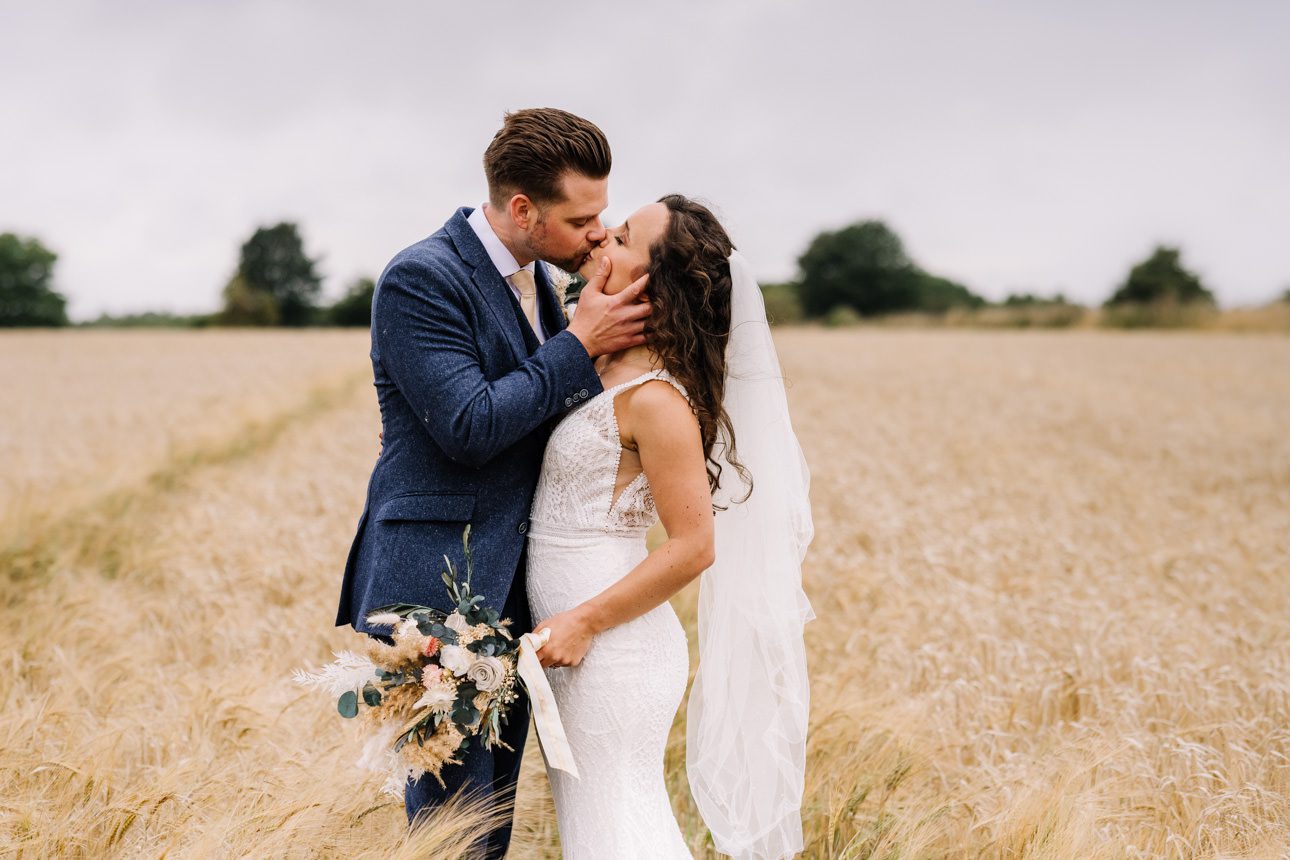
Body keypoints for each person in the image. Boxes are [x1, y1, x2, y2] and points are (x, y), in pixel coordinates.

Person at [333, 107, 650, 859]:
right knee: (454, 824)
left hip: (516, 576)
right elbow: (470, 425)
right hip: (441, 585)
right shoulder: (422, 277)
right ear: (521, 209)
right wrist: (580, 344)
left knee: (493, 814)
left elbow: (544, 415)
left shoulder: (544, 279)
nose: (600, 232)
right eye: (583, 218)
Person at [526, 195, 816, 858]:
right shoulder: (592, 361)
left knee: (618, 822)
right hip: (570, 641)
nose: (603, 238)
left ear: (656, 288)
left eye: (624, 237)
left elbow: (694, 547)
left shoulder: (656, 398)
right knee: (593, 826)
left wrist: (585, 621)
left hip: (611, 648)